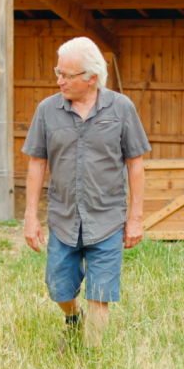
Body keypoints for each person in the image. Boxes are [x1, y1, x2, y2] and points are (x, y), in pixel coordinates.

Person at [23, 36, 150, 350]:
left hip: (107, 218)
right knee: (59, 288)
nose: (59, 80)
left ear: (92, 78)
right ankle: (72, 318)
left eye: (67, 75)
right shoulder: (47, 110)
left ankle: (93, 361)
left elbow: (136, 163)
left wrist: (135, 218)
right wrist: (30, 216)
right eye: (58, 72)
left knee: (100, 293)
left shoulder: (121, 108)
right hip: (63, 219)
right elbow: (37, 163)